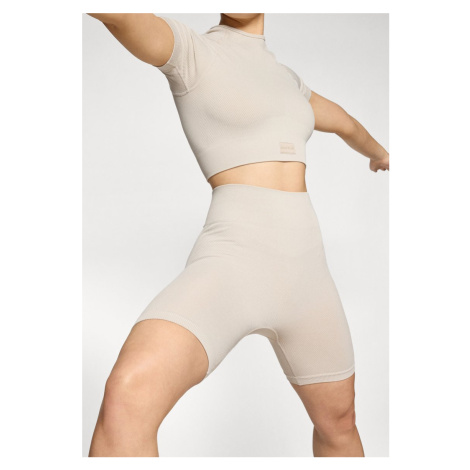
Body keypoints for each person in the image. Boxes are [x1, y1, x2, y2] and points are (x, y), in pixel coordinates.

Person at [86, 12, 389, 458]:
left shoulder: (288, 81)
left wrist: (380, 153)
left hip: (307, 273)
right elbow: (122, 16)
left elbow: (345, 123)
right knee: (129, 395)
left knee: (339, 423)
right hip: (234, 262)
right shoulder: (192, 52)